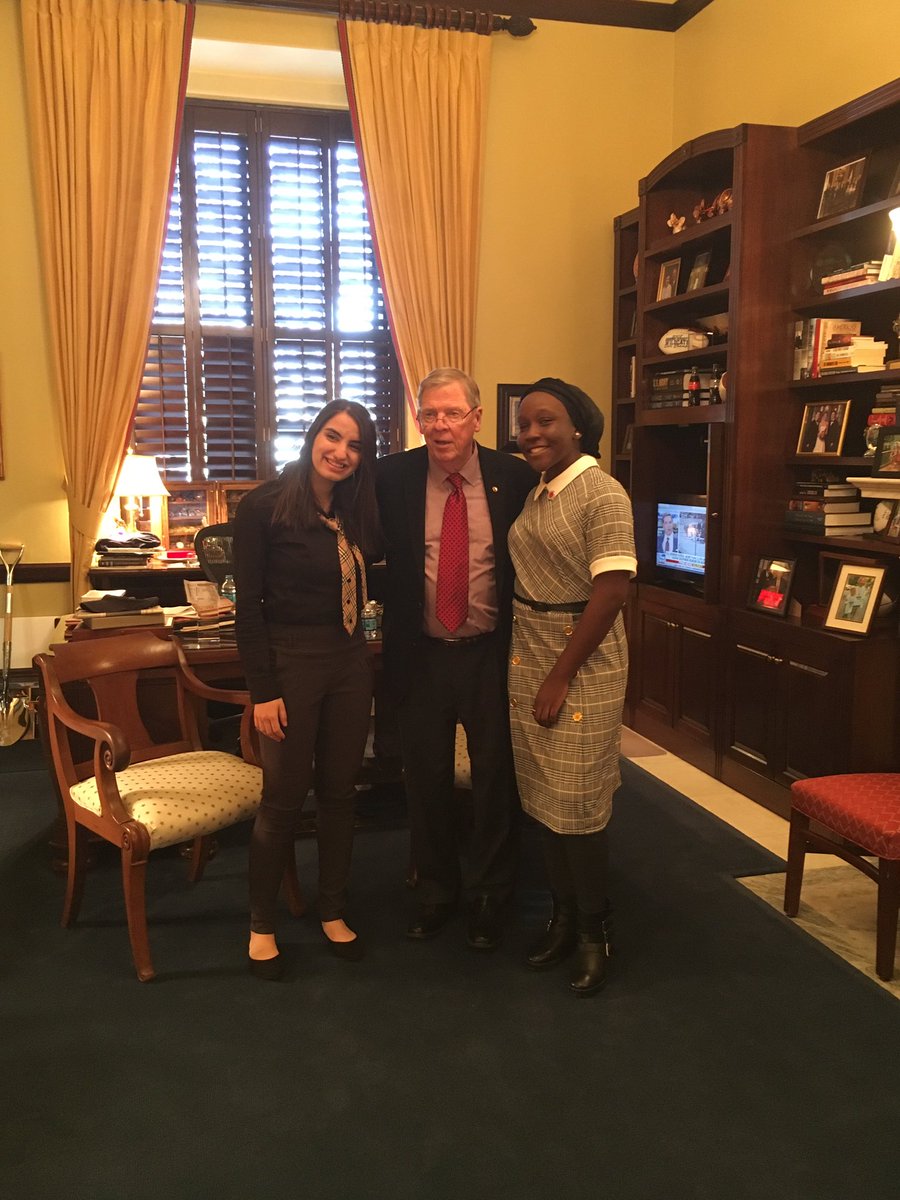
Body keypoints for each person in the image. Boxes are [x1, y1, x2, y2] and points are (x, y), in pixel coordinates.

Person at [376, 367, 535, 950]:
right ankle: (437, 891)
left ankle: (492, 893)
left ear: (476, 418)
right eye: (430, 414)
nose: (441, 425)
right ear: (418, 420)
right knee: (425, 780)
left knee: (496, 779)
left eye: (452, 413)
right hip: (420, 655)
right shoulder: (390, 477)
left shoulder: (514, 477)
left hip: (491, 653)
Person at [234, 400, 382, 981]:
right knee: (284, 798)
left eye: (355, 445)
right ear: (313, 435)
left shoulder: (354, 508)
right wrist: (263, 691)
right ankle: (261, 925)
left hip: (349, 661)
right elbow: (249, 609)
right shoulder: (264, 505)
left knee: (341, 792)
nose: (341, 453)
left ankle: (333, 910)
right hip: (289, 664)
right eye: (333, 437)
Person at [509, 378, 636, 997]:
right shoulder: (539, 490)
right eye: (524, 424)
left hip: (580, 662)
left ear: (578, 426)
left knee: (579, 804)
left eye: (546, 421)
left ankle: (594, 932)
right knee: (545, 800)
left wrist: (560, 675)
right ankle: (561, 919)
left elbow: (612, 591)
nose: (532, 433)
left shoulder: (601, 492)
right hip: (528, 654)